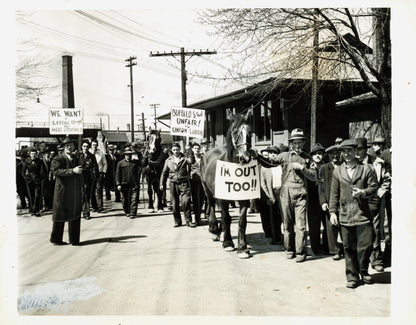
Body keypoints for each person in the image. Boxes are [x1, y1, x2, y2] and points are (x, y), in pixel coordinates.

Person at [329, 139, 378, 288]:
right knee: (348, 247)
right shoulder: (338, 171)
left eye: (349, 151)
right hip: (345, 215)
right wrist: (332, 212)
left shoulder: (366, 169)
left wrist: (363, 192)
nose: (346, 154)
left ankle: (364, 270)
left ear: (356, 152)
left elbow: (374, 187)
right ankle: (352, 276)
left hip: (362, 214)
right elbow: (334, 194)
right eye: (344, 151)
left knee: (365, 245)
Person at [274, 128, 317, 262]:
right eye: (295, 143)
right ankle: (289, 249)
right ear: (291, 143)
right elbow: (270, 162)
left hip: (300, 195)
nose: (297, 146)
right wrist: (258, 156)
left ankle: (301, 252)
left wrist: (302, 168)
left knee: (300, 225)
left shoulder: (307, 158)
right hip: (285, 194)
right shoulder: (285, 156)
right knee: (287, 224)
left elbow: (314, 176)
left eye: (300, 143)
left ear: (304, 143)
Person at [355, 137, 390, 272]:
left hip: (374, 199)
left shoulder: (377, 162)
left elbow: (386, 178)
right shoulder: (352, 162)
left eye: (360, 149)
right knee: (360, 231)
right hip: (358, 199)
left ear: (366, 149)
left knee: (375, 230)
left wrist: (382, 190)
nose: (357, 152)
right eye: (355, 149)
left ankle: (376, 260)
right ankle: (360, 261)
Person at [50, 137, 83, 246]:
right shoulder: (58, 159)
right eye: (67, 145)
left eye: (71, 145)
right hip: (62, 191)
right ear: (64, 147)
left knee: (75, 214)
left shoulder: (76, 158)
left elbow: (81, 173)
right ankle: (56, 239)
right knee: (60, 215)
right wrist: (72, 171)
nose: (69, 147)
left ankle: (74, 240)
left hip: (74, 191)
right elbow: (57, 171)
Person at [160, 143, 195, 227]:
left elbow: (192, 161)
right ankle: (177, 221)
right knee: (174, 204)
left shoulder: (185, 158)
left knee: (186, 202)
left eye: (177, 149)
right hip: (173, 183)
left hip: (184, 182)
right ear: (172, 150)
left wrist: (189, 151)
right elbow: (164, 173)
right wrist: (162, 183)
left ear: (180, 149)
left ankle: (188, 220)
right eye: (174, 150)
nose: (176, 151)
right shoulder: (168, 160)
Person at [318, 144, 344, 260]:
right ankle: (335, 250)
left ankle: (345, 249)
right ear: (328, 156)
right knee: (331, 227)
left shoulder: (344, 166)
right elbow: (321, 187)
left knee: (344, 226)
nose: (335, 156)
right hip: (330, 202)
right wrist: (323, 201)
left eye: (337, 154)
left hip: (344, 202)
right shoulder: (324, 168)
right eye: (332, 154)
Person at [306, 143, 329, 256]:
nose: (317, 156)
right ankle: (316, 248)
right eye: (315, 154)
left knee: (326, 224)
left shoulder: (327, 166)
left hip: (325, 199)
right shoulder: (309, 167)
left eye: (320, 153)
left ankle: (326, 246)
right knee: (314, 226)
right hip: (313, 199)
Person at [116, 149, 140, 219]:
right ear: (125, 155)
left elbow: (139, 171)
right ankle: (127, 211)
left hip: (134, 184)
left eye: (130, 154)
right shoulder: (120, 163)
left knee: (134, 199)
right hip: (124, 184)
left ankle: (133, 213)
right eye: (127, 154)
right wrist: (118, 184)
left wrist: (138, 183)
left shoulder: (135, 163)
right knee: (124, 199)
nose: (128, 156)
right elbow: (117, 174)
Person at [22, 147, 46, 216]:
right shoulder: (27, 161)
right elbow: (23, 172)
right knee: (31, 195)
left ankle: (37, 210)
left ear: (36, 155)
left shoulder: (40, 161)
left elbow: (45, 171)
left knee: (37, 195)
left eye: (34, 154)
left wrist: (41, 179)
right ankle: (32, 210)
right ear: (30, 154)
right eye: (32, 154)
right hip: (29, 181)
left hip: (38, 181)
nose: (33, 155)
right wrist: (26, 179)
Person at [78, 140, 99, 220]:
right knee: (79, 195)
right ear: (82, 147)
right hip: (79, 178)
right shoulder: (78, 155)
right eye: (84, 146)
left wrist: (95, 177)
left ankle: (86, 213)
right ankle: (77, 211)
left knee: (86, 195)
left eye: (87, 146)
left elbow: (95, 167)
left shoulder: (92, 156)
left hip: (88, 178)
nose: (85, 148)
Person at [189, 142, 206, 225]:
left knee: (201, 199)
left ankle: (198, 217)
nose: (197, 150)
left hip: (202, 181)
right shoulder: (190, 159)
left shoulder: (203, 158)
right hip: (193, 181)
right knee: (195, 200)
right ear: (192, 149)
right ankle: (196, 218)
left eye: (198, 148)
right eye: (195, 148)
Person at [89, 139, 107, 213]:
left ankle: (100, 206)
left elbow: (105, 163)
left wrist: (104, 172)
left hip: (99, 173)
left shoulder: (101, 153)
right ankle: (94, 206)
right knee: (92, 190)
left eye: (96, 145)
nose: (94, 146)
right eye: (93, 145)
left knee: (99, 190)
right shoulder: (88, 152)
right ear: (91, 145)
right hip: (90, 174)